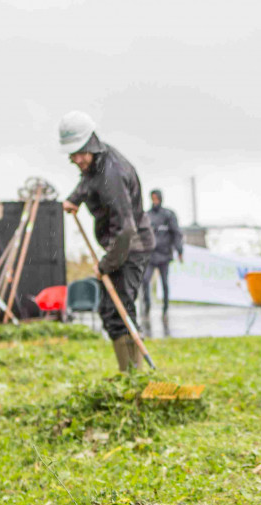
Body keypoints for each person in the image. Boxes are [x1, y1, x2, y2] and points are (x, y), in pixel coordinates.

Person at [58, 110, 155, 372]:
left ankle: (133, 378)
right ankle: (128, 375)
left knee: (120, 310)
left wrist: (105, 265)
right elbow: (87, 182)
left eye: (80, 153)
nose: (77, 159)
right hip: (118, 245)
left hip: (131, 247)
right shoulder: (95, 162)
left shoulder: (112, 175)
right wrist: (74, 199)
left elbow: (125, 231)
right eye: (73, 154)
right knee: (109, 310)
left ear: (91, 143)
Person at [142, 189, 183, 318]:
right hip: (150, 255)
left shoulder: (168, 215)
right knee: (145, 280)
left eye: (157, 198)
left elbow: (176, 233)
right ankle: (147, 305)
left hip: (164, 254)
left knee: (164, 283)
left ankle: (165, 308)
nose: (155, 201)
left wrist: (179, 250)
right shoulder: (147, 215)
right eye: (153, 198)